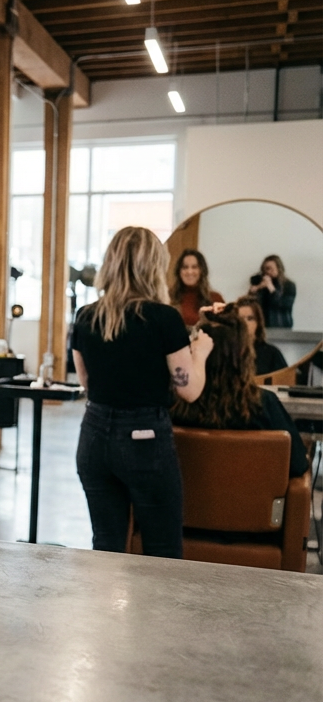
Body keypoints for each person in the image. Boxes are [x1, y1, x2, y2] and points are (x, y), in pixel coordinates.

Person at [71, 226, 214, 559]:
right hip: (145, 440)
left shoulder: (85, 316)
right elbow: (189, 390)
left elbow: (86, 383)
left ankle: (106, 613)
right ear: (153, 266)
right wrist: (200, 354)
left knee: (106, 547)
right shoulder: (164, 318)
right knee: (162, 551)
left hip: (93, 438)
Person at [171, 304, 308, 478]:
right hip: (254, 503)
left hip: (189, 503)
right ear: (244, 353)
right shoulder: (262, 403)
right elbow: (298, 465)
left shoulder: (178, 405)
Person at [169, 249, 223, 327]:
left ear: (202, 271)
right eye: (185, 267)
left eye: (194, 267)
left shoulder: (215, 299)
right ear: (179, 271)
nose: (189, 271)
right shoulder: (168, 297)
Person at [237, 295, 289, 375]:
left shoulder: (272, 353)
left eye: (250, 318)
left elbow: (285, 381)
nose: (245, 324)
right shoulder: (226, 353)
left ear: (258, 323)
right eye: (241, 319)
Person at [249, 254, 296, 328]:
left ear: (279, 268)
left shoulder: (289, 285)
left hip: (281, 325)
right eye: (265, 269)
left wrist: (271, 288)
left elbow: (284, 305)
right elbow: (251, 303)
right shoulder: (258, 282)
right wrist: (258, 288)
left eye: (270, 268)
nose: (267, 272)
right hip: (262, 325)